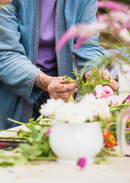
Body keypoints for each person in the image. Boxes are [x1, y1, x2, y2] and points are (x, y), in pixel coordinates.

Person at [0, 0, 119, 129]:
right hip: (17, 91)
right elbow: (7, 53)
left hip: (63, 91)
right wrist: (44, 81)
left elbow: (87, 44)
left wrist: (94, 72)